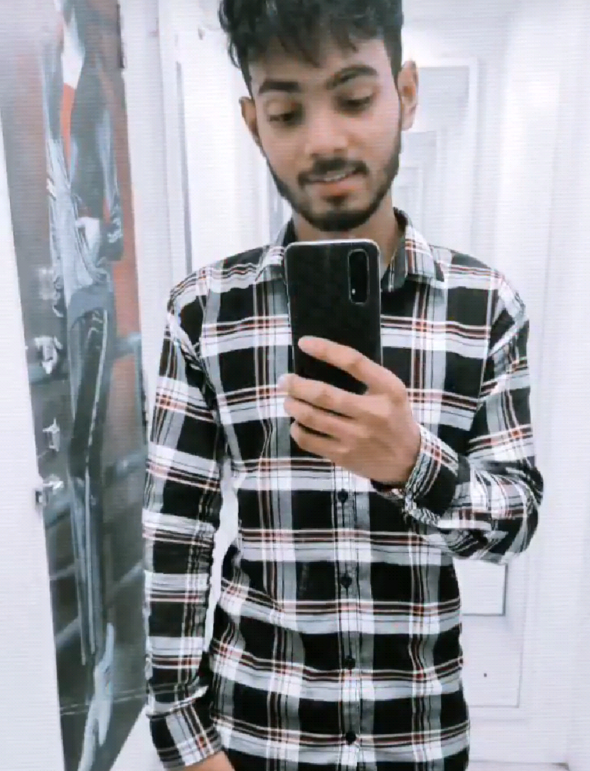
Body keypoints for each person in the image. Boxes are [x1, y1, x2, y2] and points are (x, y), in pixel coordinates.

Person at [142, 1, 544, 770]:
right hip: (252, 735)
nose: (324, 140)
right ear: (254, 124)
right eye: (287, 112)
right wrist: (185, 741)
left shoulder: (484, 306)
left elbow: (516, 519)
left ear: (407, 93)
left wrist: (412, 463)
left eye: (354, 98)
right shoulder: (205, 311)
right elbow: (175, 535)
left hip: (417, 736)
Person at [43, 0, 124, 767]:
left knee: (85, 471)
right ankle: (92, 654)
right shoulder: (47, 77)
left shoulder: (91, 79)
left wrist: (96, 237)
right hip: (65, 302)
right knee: (74, 475)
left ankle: (98, 656)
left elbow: (106, 218)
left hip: (88, 301)